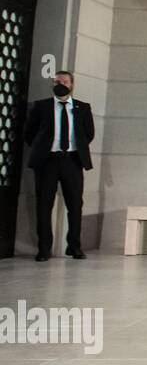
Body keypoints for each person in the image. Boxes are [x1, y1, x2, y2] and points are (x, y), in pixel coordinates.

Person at [24, 71, 93, 261]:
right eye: (56, 81)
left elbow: (88, 134)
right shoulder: (41, 106)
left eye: (64, 81)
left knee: (75, 205)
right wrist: (44, 150)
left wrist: (74, 149)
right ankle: (44, 249)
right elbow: (29, 134)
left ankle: (74, 246)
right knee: (44, 205)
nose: (60, 84)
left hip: (72, 160)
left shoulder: (82, 107)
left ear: (71, 85)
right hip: (47, 161)